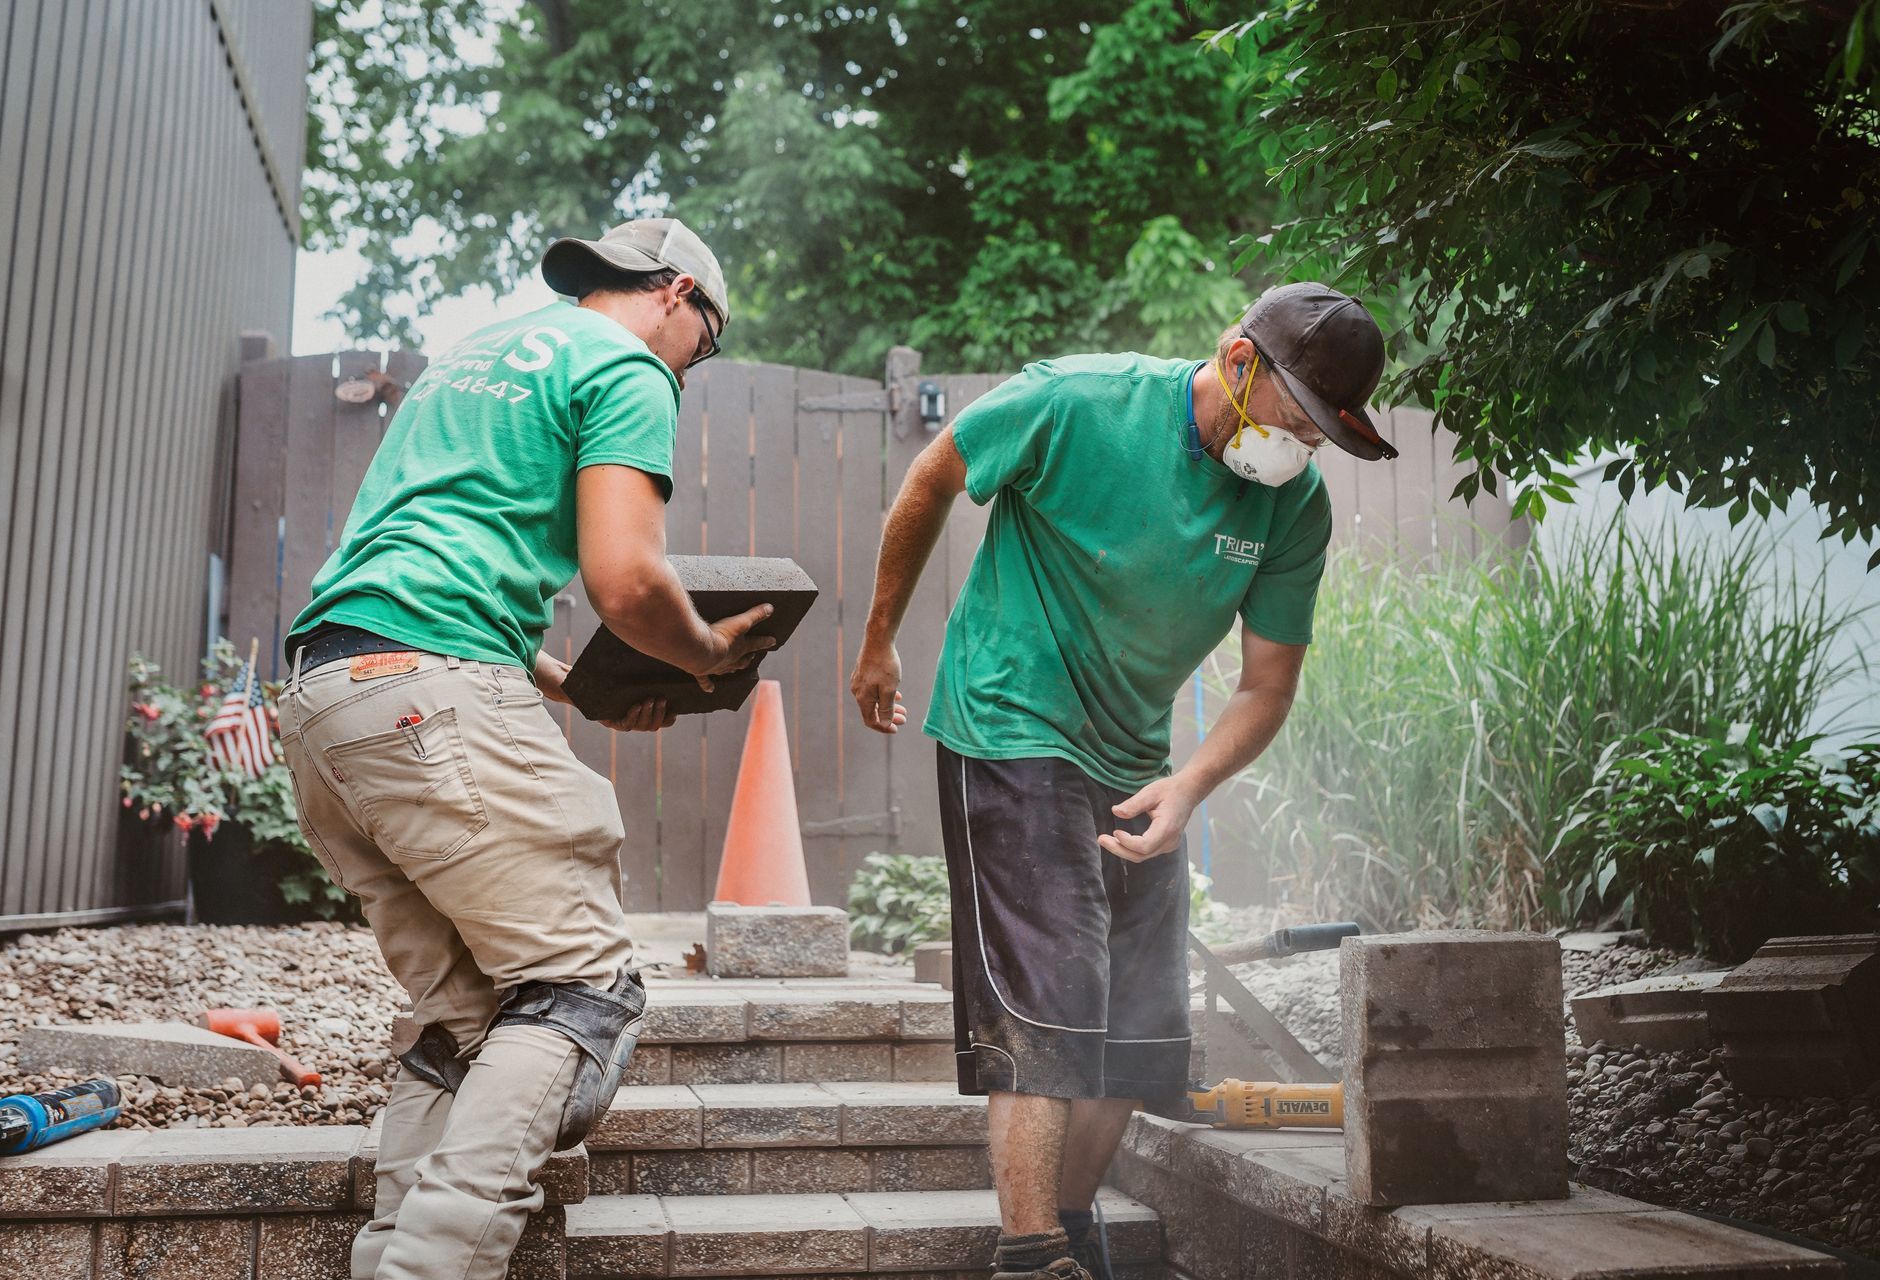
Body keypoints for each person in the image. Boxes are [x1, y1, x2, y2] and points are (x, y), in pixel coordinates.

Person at [849, 284, 1397, 1280]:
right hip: (1008, 716)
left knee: (1143, 1029)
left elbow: (1267, 685)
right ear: (1240, 364)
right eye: (1296, 418)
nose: (1299, 448)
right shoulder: (1078, 403)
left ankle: (1071, 1227)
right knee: (1051, 1000)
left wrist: (1187, 785)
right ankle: (1031, 1254)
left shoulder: (1291, 504)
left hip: (1137, 755)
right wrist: (880, 638)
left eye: (1322, 435)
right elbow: (934, 475)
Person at [277, 218, 775, 1280]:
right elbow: (630, 584)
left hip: (331, 699)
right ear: (678, 293)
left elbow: (429, 563)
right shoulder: (631, 367)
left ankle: (389, 1256)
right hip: (429, 700)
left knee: (467, 1016)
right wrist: (698, 654)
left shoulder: (474, 354)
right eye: (709, 341)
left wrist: (572, 684)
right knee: (580, 987)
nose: (696, 361)